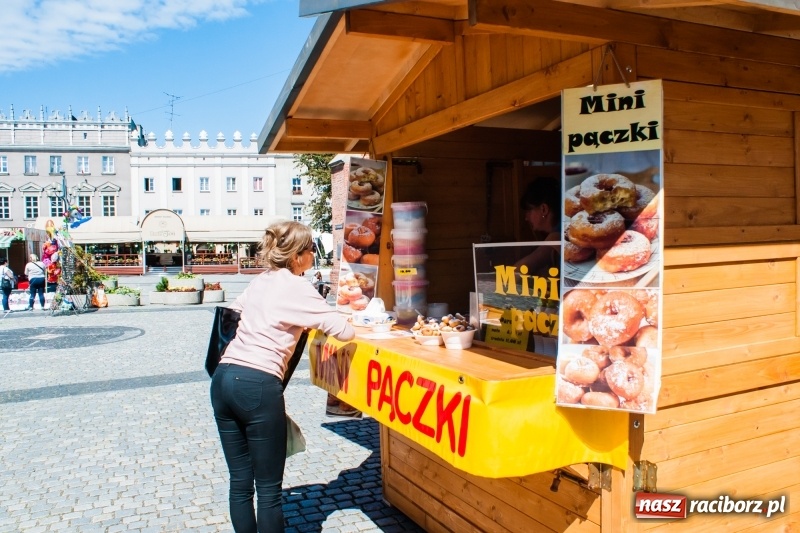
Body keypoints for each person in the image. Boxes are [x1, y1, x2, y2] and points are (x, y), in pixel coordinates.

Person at [210, 220, 355, 533]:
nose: (313, 257)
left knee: (240, 484)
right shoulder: (298, 287)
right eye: (310, 251)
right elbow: (344, 330)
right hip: (258, 386)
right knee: (269, 492)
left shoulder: (261, 280)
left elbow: (231, 315)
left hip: (222, 381)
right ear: (296, 257)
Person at [514, 177, 562, 278]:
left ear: (544, 209)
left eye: (529, 211)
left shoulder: (558, 235)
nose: (526, 218)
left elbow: (522, 268)